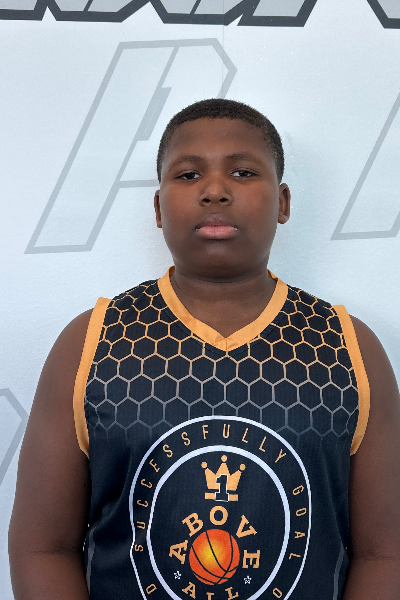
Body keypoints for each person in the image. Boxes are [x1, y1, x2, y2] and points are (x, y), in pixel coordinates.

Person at [8, 99, 400, 600]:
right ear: (158, 208)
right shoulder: (92, 341)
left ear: (283, 203)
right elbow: (42, 548)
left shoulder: (346, 345)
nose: (215, 190)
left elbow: (385, 554)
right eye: (189, 175)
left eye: (242, 172)